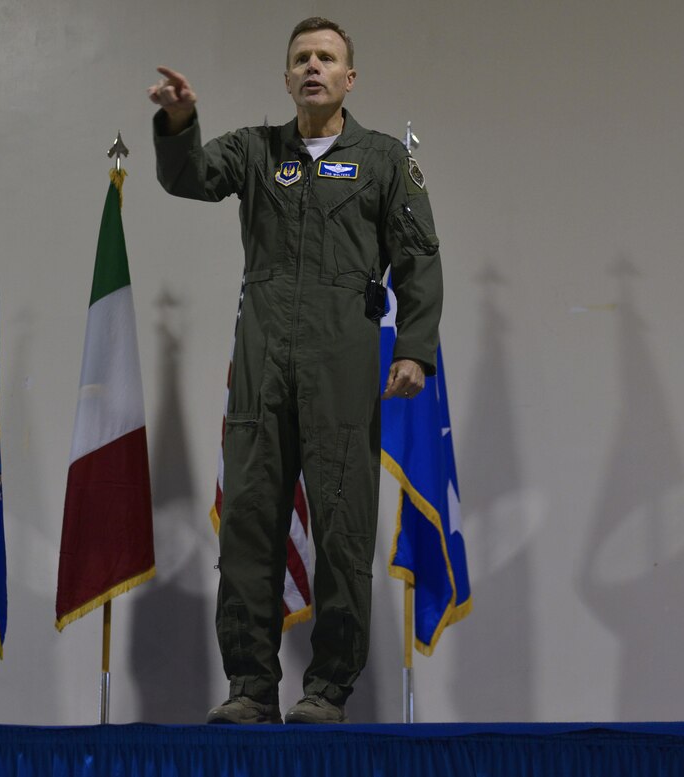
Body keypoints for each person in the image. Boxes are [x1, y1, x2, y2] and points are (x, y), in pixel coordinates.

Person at [149, 16, 443, 724]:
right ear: (287, 78)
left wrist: (412, 348)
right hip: (261, 358)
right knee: (249, 522)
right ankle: (250, 685)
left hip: (341, 356)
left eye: (327, 57)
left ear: (349, 78)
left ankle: (328, 687)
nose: (313, 67)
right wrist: (182, 120)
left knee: (342, 525)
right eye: (301, 58)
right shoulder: (256, 151)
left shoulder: (381, 161)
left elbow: (419, 256)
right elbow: (190, 176)